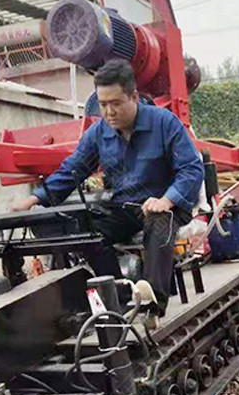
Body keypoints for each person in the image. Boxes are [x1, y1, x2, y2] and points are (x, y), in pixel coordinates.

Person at [12, 58, 204, 319]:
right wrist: (34, 199)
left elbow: (192, 169)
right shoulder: (98, 134)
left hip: (166, 206)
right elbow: (72, 169)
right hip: (124, 208)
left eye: (116, 103)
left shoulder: (164, 123)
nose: (109, 112)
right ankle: (119, 295)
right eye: (103, 105)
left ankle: (152, 303)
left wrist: (166, 200)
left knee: (159, 221)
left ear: (134, 97)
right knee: (87, 229)